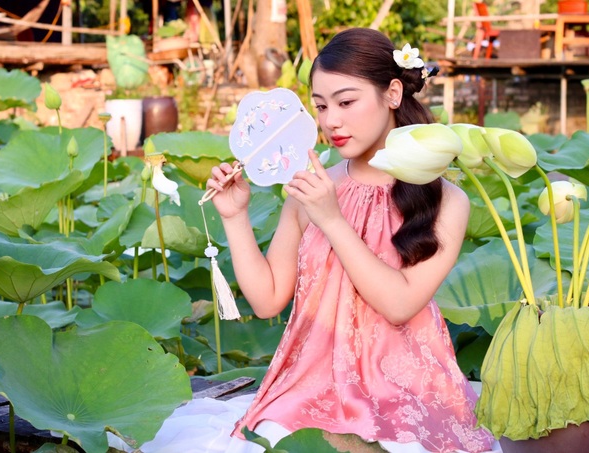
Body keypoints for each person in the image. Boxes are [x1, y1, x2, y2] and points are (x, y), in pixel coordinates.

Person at [119, 27, 498, 453]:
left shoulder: (445, 197)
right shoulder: (309, 189)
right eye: (320, 106)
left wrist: (333, 220)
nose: (331, 120)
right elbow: (267, 301)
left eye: (346, 101)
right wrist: (235, 216)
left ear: (393, 93)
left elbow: (400, 305)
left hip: (403, 391)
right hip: (309, 385)